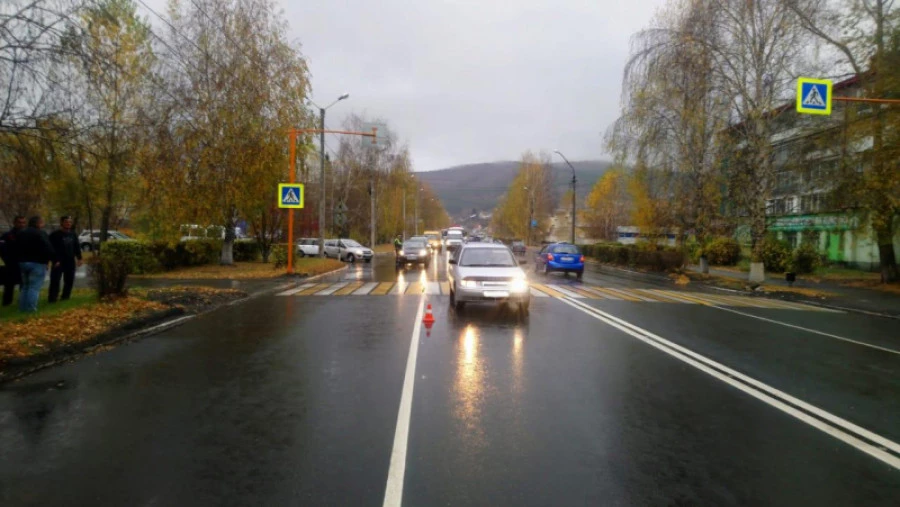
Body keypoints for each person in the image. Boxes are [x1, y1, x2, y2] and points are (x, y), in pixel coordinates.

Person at [16, 216, 55, 313]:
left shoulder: (21, 233)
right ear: (38, 223)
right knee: (34, 287)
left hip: (23, 262)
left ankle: (22, 308)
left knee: (25, 287)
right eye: (42, 222)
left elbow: (15, 247)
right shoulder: (41, 233)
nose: (43, 224)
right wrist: (54, 259)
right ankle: (31, 309)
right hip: (37, 263)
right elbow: (47, 247)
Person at [48, 216, 83, 303]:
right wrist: (54, 260)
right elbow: (50, 248)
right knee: (55, 280)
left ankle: (65, 297)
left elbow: (76, 247)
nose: (68, 224)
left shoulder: (73, 234)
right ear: (62, 223)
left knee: (69, 280)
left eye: (70, 222)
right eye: (66, 222)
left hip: (70, 261)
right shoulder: (55, 235)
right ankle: (52, 298)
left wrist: (79, 258)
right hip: (58, 261)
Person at [0, 216, 26, 306]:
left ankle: (22, 301)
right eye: (19, 222)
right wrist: (7, 261)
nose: (21, 225)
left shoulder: (27, 235)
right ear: (14, 223)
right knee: (9, 285)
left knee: (24, 284)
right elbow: (2, 250)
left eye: (23, 222)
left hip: (24, 263)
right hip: (11, 264)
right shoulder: (8, 235)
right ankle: (7, 303)